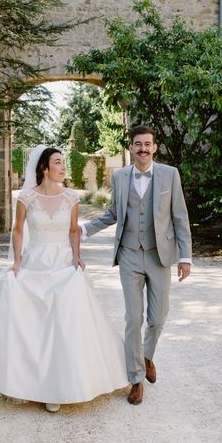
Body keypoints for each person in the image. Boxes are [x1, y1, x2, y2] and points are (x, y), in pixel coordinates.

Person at [0, 145, 128, 413]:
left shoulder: (71, 198)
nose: (63, 166)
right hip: (35, 260)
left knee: (65, 314)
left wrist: (77, 257)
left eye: (63, 161)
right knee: (28, 311)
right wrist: (17, 261)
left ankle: (59, 386)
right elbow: (18, 230)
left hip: (62, 261)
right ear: (45, 168)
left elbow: (73, 231)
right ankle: (29, 382)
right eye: (58, 162)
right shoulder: (26, 197)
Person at [80, 125, 192, 405]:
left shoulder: (170, 175)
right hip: (129, 254)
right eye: (137, 144)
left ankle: (146, 356)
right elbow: (113, 213)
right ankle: (135, 378)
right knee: (133, 318)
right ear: (130, 148)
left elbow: (179, 215)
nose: (142, 148)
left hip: (159, 255)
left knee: (158, 318)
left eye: (147, 144)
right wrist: (83, 230)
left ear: (154, 147)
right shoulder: (119, 176)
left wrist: (185, 256)